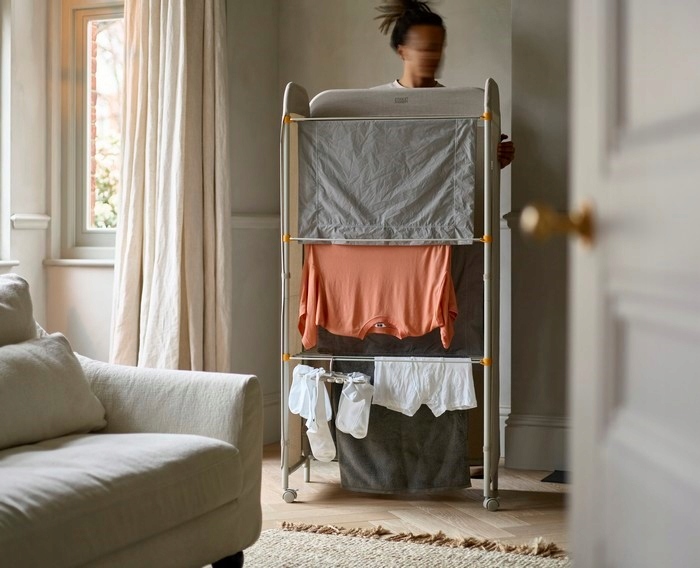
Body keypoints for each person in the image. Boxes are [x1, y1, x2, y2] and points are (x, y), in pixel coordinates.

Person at [375, 0, 515, 169]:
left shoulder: (459, 107)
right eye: (424, 48)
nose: (433, 56)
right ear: (402, 51)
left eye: (437, 48)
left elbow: (463, 170)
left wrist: (494, 159)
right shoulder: (374, 104)